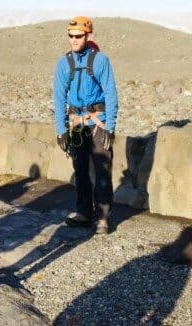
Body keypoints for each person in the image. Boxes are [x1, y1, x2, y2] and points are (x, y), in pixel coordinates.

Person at [53, 16, 118, 235]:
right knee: (80, 169)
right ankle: (84, 212)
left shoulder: (100, 61)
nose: (73, 40)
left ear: (88, 35)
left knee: (102, 170)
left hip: (97, 121)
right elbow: (59, 97)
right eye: (70, 36)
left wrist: (110, 126)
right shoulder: (64, 63)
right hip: (77, 123)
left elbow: (110, 93)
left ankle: (102, 218)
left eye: (78, 36)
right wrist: (61, 130)